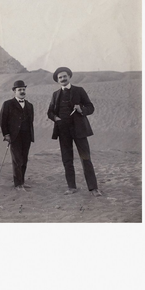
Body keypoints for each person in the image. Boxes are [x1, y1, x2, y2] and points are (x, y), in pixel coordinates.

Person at [47, 67, 102, 197]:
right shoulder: (55, 94)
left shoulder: (79, 90)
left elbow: (90, 107)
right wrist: (56, 118)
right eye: (60, 77)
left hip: (79, 130)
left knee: (86, 158)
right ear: (57, 80)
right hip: (63, 131)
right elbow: (50, 112)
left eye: (64, 76)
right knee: (67, 159)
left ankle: (93, 188)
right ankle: (71, 187)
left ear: (69, 77)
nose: (63, 79)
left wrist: (81, 109)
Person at [0, 80, 34, 191]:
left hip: (27, 136)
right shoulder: (7, 104)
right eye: (19, 90)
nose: (22, 91)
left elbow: (30, 121)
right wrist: (6, 134)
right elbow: (2, 121)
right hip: (14, 136)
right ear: (14, 91)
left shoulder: (29, 105)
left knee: (24, 159)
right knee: (17, 160)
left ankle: (22, 181)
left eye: (23, 89)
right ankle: (18, 184)